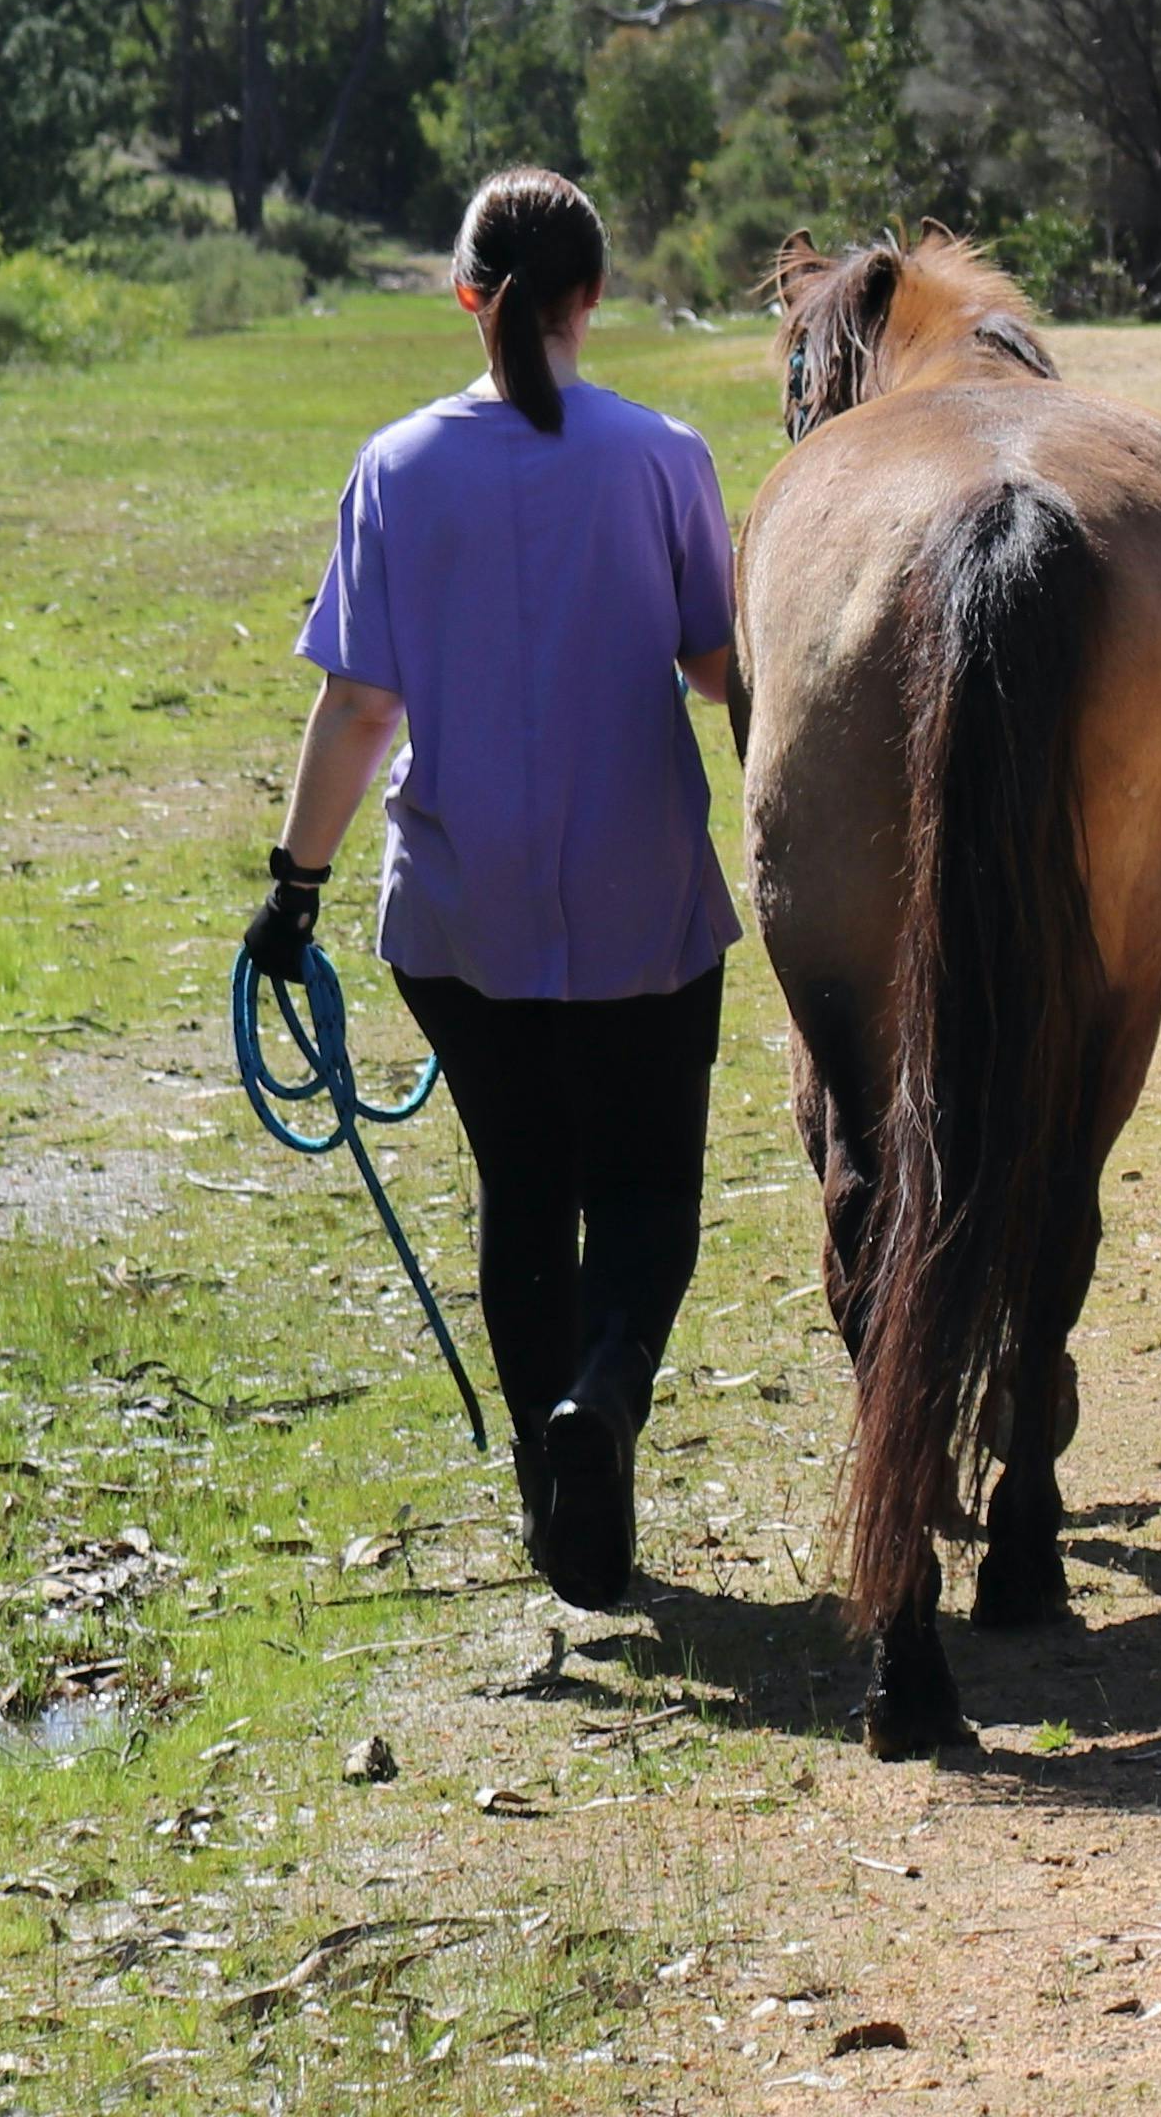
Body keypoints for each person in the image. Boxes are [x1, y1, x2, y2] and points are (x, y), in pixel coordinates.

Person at [239, 168, 741, 1611]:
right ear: (595, 299)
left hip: (465, 915)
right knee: (646, 1191)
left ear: (466, 294)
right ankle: (608, 1396)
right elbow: (718, 671)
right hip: (643, 897)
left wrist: (296, 887)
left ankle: (553, 1490)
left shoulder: (396, 467)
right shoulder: (665, 458)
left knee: (524, 1189)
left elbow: (357, 709)